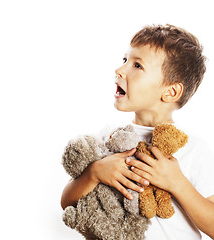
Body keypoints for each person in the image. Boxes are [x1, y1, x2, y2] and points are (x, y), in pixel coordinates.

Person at [60, 24, 214, 239]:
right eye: (125, 60)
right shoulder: (110, 137)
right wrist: (94, 172)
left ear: (170, 91)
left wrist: (177, 183)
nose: (120, 70)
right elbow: (66, 201)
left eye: (137, 65)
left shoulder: (193, 149)